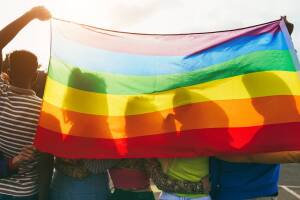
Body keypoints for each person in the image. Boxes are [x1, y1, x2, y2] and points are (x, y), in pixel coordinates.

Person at [210, 18, 296, 200]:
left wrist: (282, 43)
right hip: (224, 192)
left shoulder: (275, 122)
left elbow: (250, 156)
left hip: (251, 194)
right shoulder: (233, 115)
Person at [0, 7, 51, 200]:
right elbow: (47, 161)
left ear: (9, 72)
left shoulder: (1, 94)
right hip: (27, 192)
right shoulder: (44, 110)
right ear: (35, 75)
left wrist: (30, 15)